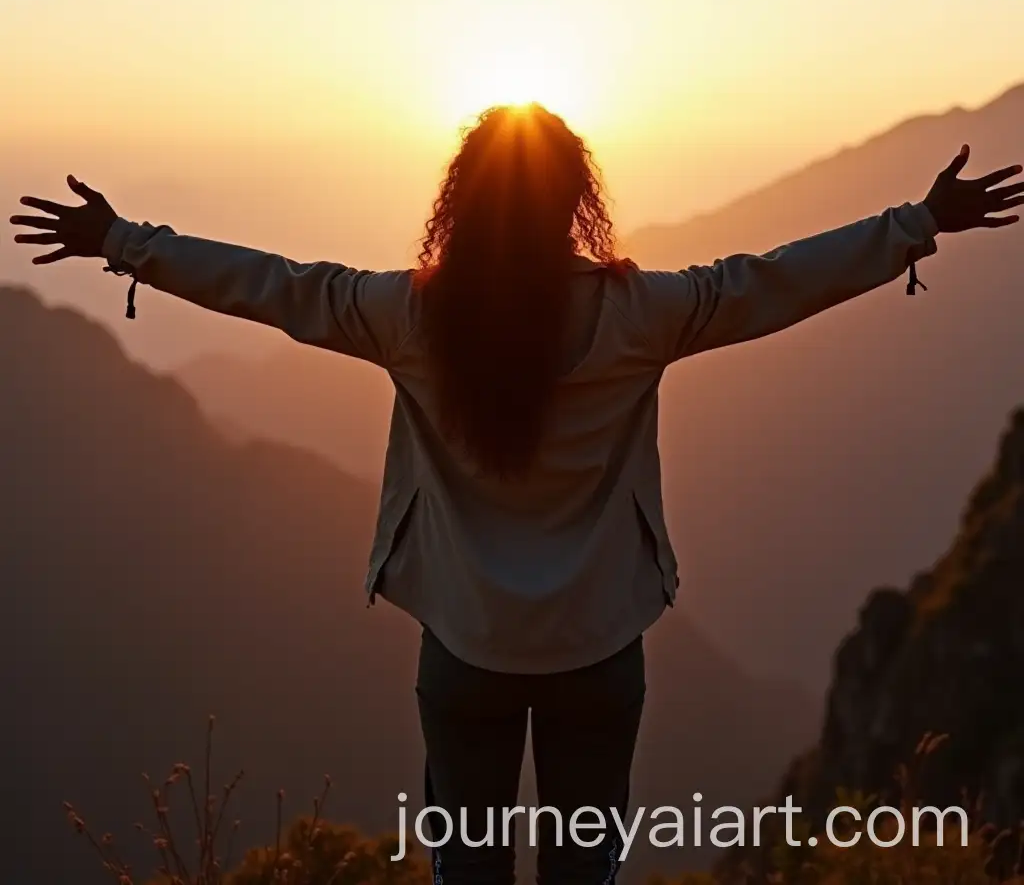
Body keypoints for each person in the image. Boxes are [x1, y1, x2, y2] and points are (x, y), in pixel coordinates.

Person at [10, 104, 1023, 884]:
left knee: (470, 866)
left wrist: (123, 240)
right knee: (586, 868)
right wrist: (916, 221)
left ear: (465, 201)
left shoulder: (406, 315)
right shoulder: (644, 312)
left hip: (465, 651)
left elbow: (276, 284)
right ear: (568, 201)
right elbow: (772, 280)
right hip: (598, 651)